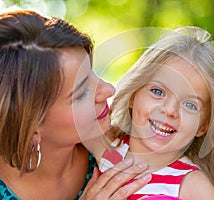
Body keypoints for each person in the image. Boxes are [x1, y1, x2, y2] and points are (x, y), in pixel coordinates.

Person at [0, 9, 152, 200]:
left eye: (92, 73)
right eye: (81, 93)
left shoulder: (126, 146)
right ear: (31, 127)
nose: (108, 89)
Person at [90, 26, 214, 199]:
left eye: (190, 105)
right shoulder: (101, 146)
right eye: (158, 92)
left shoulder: (194, 188)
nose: (170, 110)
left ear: (203, 126)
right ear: (133, 95)